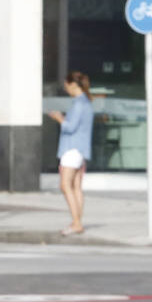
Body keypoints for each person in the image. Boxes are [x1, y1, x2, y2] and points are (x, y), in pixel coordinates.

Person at [48, 70, 92, 236]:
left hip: (72, 148)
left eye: (67, 86)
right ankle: (76, 221)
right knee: (76, 186)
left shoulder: (79, 104)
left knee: (65, 185)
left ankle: (76, 222)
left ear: (73, 85)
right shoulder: (86, 102)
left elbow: (70, 127)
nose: (66, 89)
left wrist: (59, 118)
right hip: (80, 149)